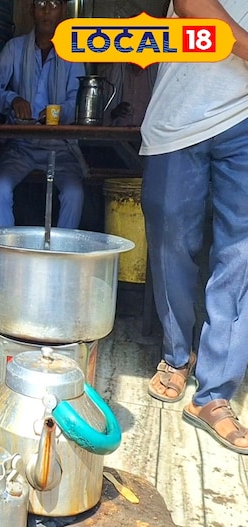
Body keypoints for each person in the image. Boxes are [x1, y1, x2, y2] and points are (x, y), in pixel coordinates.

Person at [142, 0, 248, 454]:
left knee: (241, 252)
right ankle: (176, 354)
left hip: (243, 117)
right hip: (178, 118)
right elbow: (191, 4)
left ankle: (215, 393)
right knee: (170, 240)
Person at [0, 0, 86, 229]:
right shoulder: (14, 48)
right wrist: (12, 99)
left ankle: (63, 258)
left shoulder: (73, 53)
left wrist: (56, 115)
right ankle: (6, 253)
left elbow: (76, 101)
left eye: (54, 4)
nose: (47, 10)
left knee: (74, 194)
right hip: (21, 147)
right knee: (0, 189)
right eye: (40, 3)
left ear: (63, 11)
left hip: (60, 147)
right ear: (31, 10)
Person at [99, 62, 157, 127]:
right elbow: (101, 112)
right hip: (118, 132)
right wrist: (114, 112)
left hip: (148, 133)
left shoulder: (156, 73)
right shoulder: (113, 72)